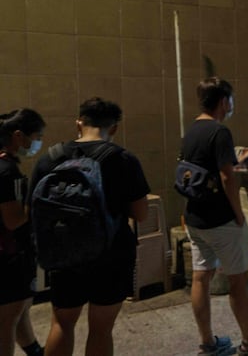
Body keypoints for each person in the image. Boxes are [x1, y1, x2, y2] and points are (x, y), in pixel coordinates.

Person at [27, 98, 149, 356]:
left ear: (78, 123)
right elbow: (140, 214)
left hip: (63, 256)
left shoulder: (50, 158)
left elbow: (33, 210)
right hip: (111, 255)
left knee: (62, 323)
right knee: (101, 329)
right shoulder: (123, 160)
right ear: (114, 128)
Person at [181, 78, 248, 355]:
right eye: (231, 99)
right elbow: (228, 177)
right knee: (238, 280)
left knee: (201, 277)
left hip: (195, 217)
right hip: (220, 219)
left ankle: (207, 342)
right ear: (224, 101)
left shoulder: (190, 132)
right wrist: (238, 214)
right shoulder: (219, 132)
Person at [0, 109, 46, 356]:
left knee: (19, 309)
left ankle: (36, 352)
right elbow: (13, 220)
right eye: (36, 136)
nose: (37, 142)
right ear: (18, 136)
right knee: (7, 319)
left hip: (8, 255)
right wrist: (36, 203)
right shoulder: (7, 171)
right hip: (9, 256)